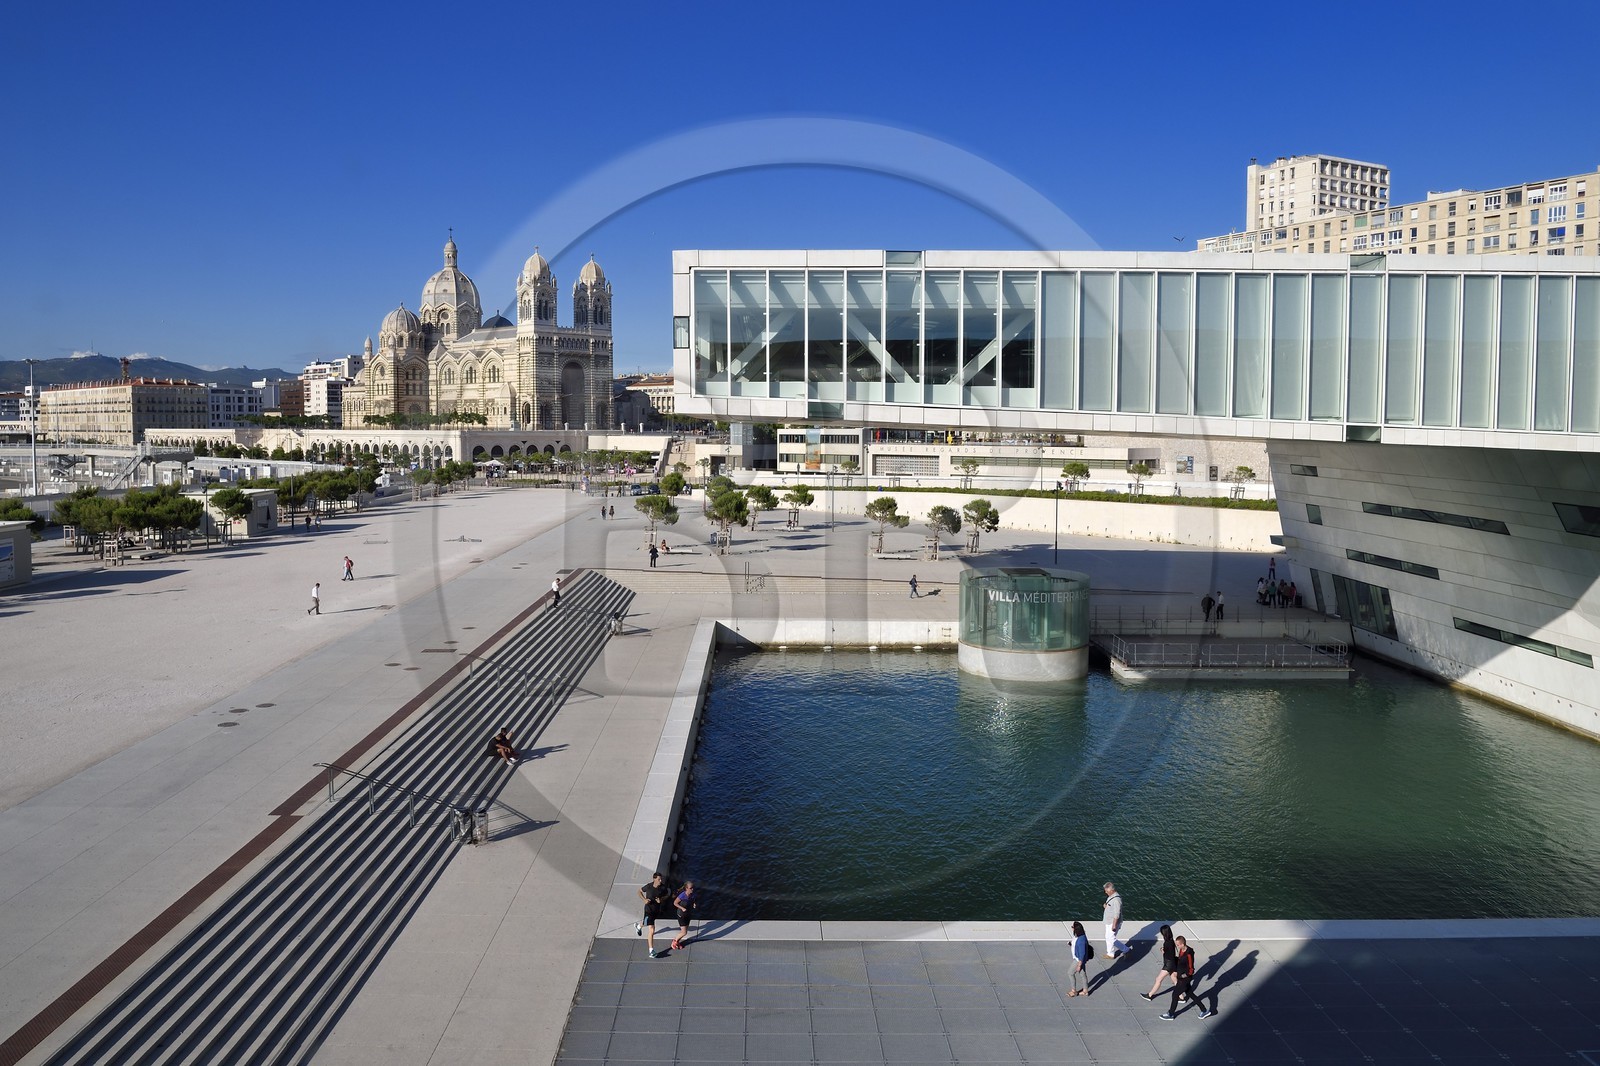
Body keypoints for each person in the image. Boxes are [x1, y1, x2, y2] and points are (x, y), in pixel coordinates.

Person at [1159, 935, 1213, 1019]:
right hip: (1181, 977)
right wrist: (1165, 953)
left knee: (1175, 994)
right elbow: (1179, 960)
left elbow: (1191, 969)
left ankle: (1171, 1014)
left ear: (1183, 944)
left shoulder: (1189, 954)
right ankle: (1204, 1010)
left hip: (1185, 978)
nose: (1177, 946)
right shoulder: (1182, 950)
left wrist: (1183, 976)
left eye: (1178, 944)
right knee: (1190, 994)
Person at [637, 873, 672, 957]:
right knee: (652, 929)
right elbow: (639, 891)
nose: (660, 881)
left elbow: (667, 894)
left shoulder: (663, 887)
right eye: (659, 879)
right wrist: (644, 900)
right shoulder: (648, 886)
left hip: (656, 910)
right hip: (648, 910)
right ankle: (651, 951)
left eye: (661, 879)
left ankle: (638, 926)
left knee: (646, 923)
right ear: (654, 879)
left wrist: (661, 899)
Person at [1142, 924, 1177, 1001]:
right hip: (1172, 963)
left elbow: (1168, 954)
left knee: (1158, 979)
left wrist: (1163, 951)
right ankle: (1181, 997)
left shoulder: (1167, 943)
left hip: (1168, 964)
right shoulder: (1171, 941)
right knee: (1174, 979)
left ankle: (1150, 995)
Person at [1102, 882, 1127, 959]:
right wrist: (1106, 906)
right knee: (1108, 937)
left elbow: (1117, 914)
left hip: (1112, 923)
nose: (1105, 892)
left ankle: (1126, 949)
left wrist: (1114, 925)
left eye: (1107, 891)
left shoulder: (1116, 900)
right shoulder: (1111, 896)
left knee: (1111, 939)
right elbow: (1111, 906)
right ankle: (1110, 953)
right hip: (1108, 921)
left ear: (1111, 890)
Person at [671, 881, 697, 950]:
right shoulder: (682, 895)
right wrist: (682, 908)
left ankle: (677, 942)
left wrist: (694, 904)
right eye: (691, 888)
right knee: (684, 932)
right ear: (686, 888)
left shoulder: (692, 894)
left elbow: (693, 900)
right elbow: (675, 903)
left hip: (688, 914)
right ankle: (674, 941)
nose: (692, 889)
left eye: (693, 888)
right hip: (681, 915)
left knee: (684, 931)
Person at [1067, 921, 1091, 997]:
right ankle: (1085, 991)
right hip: (1078, 959)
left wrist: (1079, 965)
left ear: (1076, 929)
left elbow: (1082, 953)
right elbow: (1075, 944)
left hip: (1078, 960)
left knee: (1070, 973)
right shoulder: (1079, 935)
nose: (1072, 928)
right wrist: (1071, 944)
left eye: (1072, 927)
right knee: (1083, 974)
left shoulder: (1081, 940)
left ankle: (1073, 991)